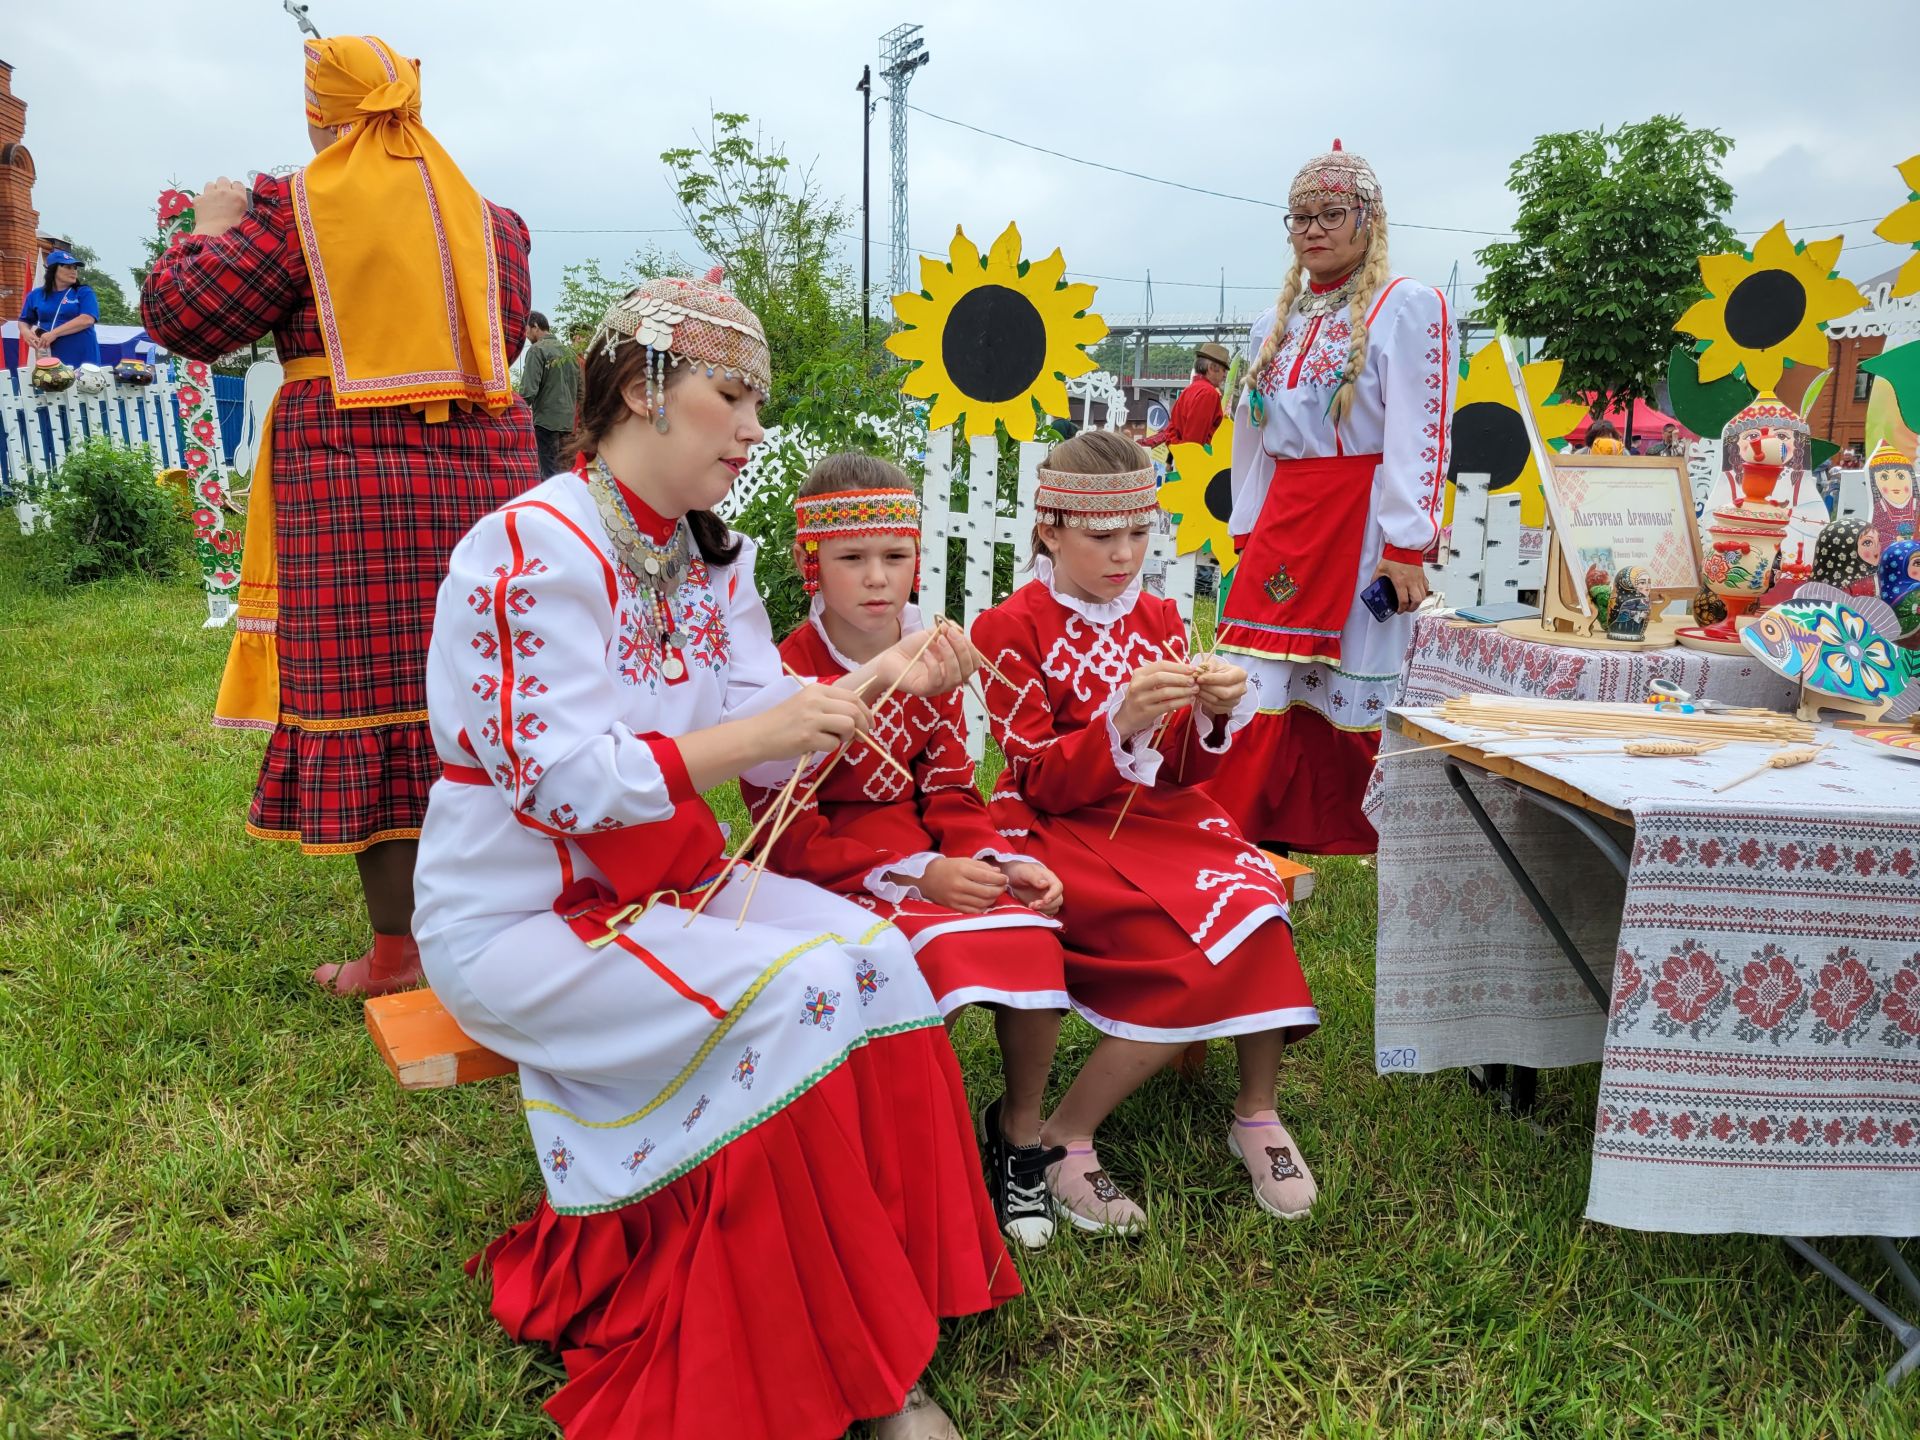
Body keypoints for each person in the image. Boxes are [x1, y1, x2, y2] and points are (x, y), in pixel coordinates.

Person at [414, 275, 1015, 1440]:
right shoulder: (526, 549)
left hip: (665, 884)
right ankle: (859, 1374)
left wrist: (891, 673)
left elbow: (763, 702)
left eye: (757, 402)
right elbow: (559, 781)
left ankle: (901, 1294)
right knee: (791, 998)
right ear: (642, 391)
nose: (752, 429)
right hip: (521, 916)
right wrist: (764, 732)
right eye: (731, 395)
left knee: (882, 960)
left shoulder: (709, 556)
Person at [140, 34, 543, 996]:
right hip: (483, 478)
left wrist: (209, 225)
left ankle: (400, 954)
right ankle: (512, 928)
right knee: (483, 697)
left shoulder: (292, 210)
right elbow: (514, 330)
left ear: (322, 113)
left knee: (378, 703)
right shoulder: (495, 222)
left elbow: (185, 316)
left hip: (350, 485)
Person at [972, 430, 1321, 1232]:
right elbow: (1036, 775)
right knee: (1187, 954)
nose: (1125, 555)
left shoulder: (1161, 618)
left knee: (1256, 898)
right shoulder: (1008, 629)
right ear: (1049, 528)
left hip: (1157, 816)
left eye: (1139, 534)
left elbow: (1186, 774)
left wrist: (1212, 714)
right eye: (1101, 537)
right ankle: (1064, 1135)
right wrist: (1119, 719)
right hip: (1058, 823)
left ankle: (1257, 1112)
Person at [742, 455, 1079, 1250]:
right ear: (809, 564)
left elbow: (954, 792)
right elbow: (788, 829)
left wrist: (996, 862)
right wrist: (915, 873)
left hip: (937, 861)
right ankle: (916, 1156)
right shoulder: (784, 673)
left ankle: (1018, 1134)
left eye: (894, 557)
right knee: (926, 960)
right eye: (850, 559)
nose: (875, 579)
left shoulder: (930, 654)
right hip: (829, 875)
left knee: (1030, 938)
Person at [1208, 140, 1454, 855]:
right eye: (1300, 216)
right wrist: (1247, 529)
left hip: (1362, 522)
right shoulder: (1271, 324)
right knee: (1256, 674)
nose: (1313, 228)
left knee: (1351, 670)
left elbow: (1423, 426)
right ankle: (1251, 836)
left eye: (1331, 212)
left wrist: (1408, 544)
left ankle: (1373, 834)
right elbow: (1251, 440)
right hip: (1287, 517)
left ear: (1368, 218)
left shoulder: (1406, 308)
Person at [519, 309, 579, 476]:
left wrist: (516, 411)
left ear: (535, 326)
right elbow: (580, 391)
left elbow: (529, 390)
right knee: (565, 472)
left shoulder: (537, 350)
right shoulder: (569, 353)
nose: (526, 335)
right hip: (567, 422)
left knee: (549, 474)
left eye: (527, 329)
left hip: (546, 422)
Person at [18, 248, 101, 367]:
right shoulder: (36, 295)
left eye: (75, 268)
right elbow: (24, 320)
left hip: (82, 357)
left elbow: (87, 319)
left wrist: (54, 334)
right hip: (50, 355)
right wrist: (25, 332)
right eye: (68, 267)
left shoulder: (83, 292)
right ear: (53, 270)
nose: (73, 271)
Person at [1142, 341, 1229, 448]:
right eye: (1223, 370)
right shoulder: (1208, 393)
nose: (1225, 375)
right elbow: (1194, 444)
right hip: (1197, 461)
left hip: (1180, 456)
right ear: (1211, 368)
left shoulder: (1189, 390)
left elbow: (1173, 430)